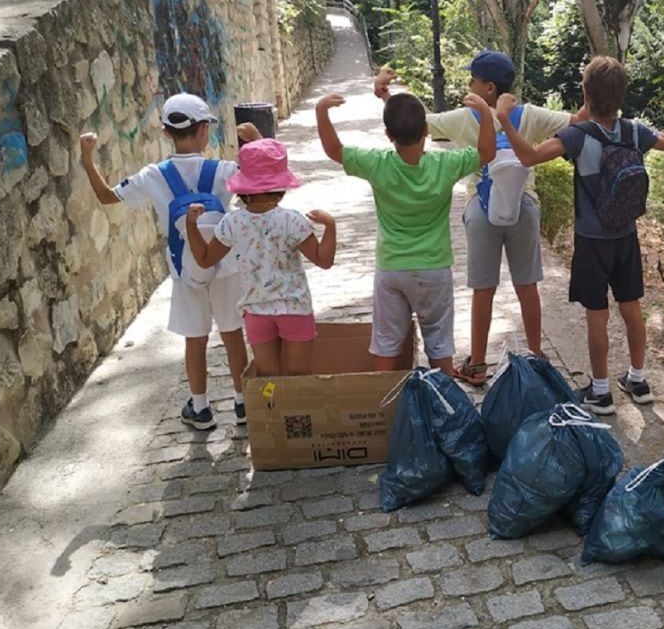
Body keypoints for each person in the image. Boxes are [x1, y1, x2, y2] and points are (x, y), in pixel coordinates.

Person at [497, 56, 664, 415]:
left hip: (592, 241)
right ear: (622, 95)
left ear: (585, 93)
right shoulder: (636, 132)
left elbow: (528, 157)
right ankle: (638, 379)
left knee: (597, 314)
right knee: (632, 307)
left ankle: (601, 392)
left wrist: (504, 121)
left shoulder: (577, 136)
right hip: (626, 237)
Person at [375, 51, 580, 385]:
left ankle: (478, 364)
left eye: (472, 79)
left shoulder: (464, 118)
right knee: (527, 285)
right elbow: (578, 120)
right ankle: (536, 358)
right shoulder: (530, 115)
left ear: (487, 87)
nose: (467, 84)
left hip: (481, 209)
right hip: (524, 207)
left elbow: (413, 122)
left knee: (483, 288)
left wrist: (387, 96)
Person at [79, 93, 259, 430]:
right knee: (233, 334)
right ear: (205, 129)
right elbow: (265, 179)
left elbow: (107, 196)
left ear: (166, 133)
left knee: (195, 338)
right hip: (226, 266)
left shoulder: (152, 176)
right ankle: (243, 403)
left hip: (185, 269)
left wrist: (87, 157)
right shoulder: (223, 170)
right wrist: (258, 141)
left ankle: (201, 408)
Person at [314, 89, 496, 375]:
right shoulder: (445, 165)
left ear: (388, 134)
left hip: (391, 268)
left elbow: (334, 150)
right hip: (433, 267)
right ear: (426, 130)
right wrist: (485, 113)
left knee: (386, 348)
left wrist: (321, 112)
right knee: (439, 348)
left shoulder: (377, 164)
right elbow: (487, 152)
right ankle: (443, 411)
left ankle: (381, 413)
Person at [184, 138, 337, 376]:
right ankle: (298, 414)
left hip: (256, 312)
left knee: (269, 380)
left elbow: (204, 259)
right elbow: (324, 260)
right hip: (294, 309)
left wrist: (191, 224)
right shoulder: (292, 220)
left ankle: (273, 414)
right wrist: (330, 226)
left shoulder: (232, 222)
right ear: (280, 187)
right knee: (299, 377)